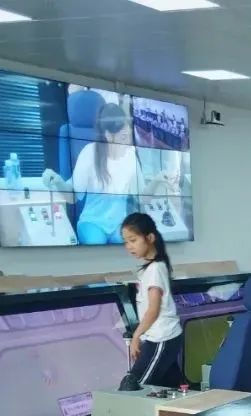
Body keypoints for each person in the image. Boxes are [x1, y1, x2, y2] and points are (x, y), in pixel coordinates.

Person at [42, 103, 176, 245]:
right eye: (123, 137)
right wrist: (58, 181)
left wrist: (157, 180)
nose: (128, 142)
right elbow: (72, 197)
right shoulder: (89, 153)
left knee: (132, 245)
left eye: (129, 136)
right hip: (92, 222)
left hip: (119, 224)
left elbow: (142, 199)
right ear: (108, 136)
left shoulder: (130, 155)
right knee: (97, 243)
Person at [121, 213, 184, 387]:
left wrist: (136, 336)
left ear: (149, 238)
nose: (129, 247)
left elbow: (153, 310)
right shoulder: (152, 268)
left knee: (133, 386)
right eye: (126, 242)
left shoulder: (155, 269)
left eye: (133, 240)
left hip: (161, 338)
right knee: (170, 388)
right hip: (164, 337)